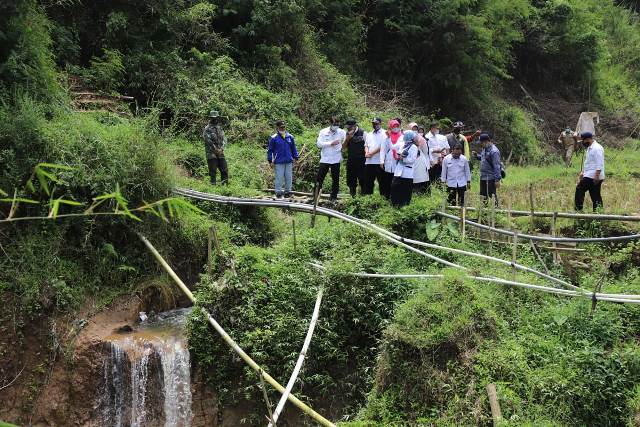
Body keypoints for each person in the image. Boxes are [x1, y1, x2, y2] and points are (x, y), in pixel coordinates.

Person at [316, 116, 346, 201]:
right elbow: (319, 144)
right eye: (334, 124)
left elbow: (346, 141)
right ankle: (316, 195)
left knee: (335, 179)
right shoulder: (323, 131)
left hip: (336, 158)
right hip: (325, 158)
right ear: (330, 124)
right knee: (319, 178)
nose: (336, 126)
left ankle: (333, 197)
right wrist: (330, 143)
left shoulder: (342, 132)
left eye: (337, 124)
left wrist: (342, 147)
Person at [267, 120, 299, 199]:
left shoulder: (290, 137)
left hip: (288, 160)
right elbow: (270, 150)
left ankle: (288, 192)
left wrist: (296, 158)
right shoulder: (274, 138)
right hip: (279, 161)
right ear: (277, 128)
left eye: (284, 127)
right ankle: (278, 192)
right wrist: (270, 160)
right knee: (279, 177)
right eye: (281, 127)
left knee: (289, 177)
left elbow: (293, 148)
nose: (282, 128)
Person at [574, 131, 604, 211]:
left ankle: (578, 210)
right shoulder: (590, 148)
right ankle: (598, 214)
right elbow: (589, 163)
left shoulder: (596, 148)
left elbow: (599, 163)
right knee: (595, 195)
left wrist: (596, 176)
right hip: (590, 175)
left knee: (579, 189)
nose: (583, 143)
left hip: (593, 176)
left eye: (583, 141)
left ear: (588, 139)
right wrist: (583, 172)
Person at [390, 131, 419, 207]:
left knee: (405, 190)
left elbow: (412, 160)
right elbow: (394, 148)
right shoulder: (403, 145)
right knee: (395, 187)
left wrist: (403, 159)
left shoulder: (414, 147)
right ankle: (395, 205)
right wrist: (399, 156)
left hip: (407, 172)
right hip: (398, 170)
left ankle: (404, 207)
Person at [379, 119, 403, 198]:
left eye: (397, 126)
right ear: (390, 127)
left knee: (396, 180)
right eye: (394, 126)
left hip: (398, 161)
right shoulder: (385, 137)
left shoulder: (402, 136)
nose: (395, 128)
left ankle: (395, 196)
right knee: (388, 180)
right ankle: (387, 196)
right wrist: (382, 161)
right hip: (389, 161)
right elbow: (383, 150)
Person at [475, 133, 501, 206]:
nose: (480, 145)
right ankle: (483, 213)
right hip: (483, 176)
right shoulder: (484, 149)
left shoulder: (494, 151)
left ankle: (495, 212)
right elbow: (484, 158)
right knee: (483, 196)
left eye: (481, 143)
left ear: (486, 142)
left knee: (492, 196)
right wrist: (477, 156)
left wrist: (497, 180)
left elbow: (496, 166)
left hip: (490, 178)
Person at [203, 110, 229, 184]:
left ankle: (225, 186)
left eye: (216, 117)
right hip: (211, 153)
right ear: (210, 118)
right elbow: (208, 140)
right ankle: (213, 186)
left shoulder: (219, 128)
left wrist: (222, 148)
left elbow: (224, 139)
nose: (215, 119)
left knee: (224, 169)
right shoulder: (207, 129)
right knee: (213, 171)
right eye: (213, 118)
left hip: (220, 152)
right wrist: (215, 149)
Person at [343, 119, 366, 197]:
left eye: (349, 127)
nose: (348, 129)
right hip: (351, 160)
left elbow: (368, 146)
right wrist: (348, 138)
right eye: (347, 127)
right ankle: (352, 196)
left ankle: (363, 197)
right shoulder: (347, 134)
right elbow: (343, 148)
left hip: (362, 160)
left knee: (362, 178)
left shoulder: (363, 133)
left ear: (355, 126)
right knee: (351, 179)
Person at [363, 118, 386, 195]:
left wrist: (371, 153)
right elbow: (366, 145)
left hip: (379, 161)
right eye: (373, 123)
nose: (375, 125)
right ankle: (368, 198)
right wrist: (366, 152)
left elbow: (382, 146)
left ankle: (383, 198)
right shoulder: (369, 134)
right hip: (369, 162)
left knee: (382, 182)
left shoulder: (384, 133)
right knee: (368, 181)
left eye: (376, 123)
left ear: (380, 123)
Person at [426, 122, 447, 186]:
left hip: (438, 159)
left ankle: (438, 188)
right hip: (431, 160)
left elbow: (439, 148)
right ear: (432, 128)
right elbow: (427, 149)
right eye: (436, 128)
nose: (437, 129)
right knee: (431, 176)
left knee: (437, 176)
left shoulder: (436, 136)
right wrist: (435, 151)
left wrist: (440, 156)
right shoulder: (427, 137)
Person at [412, 127, 430, 194]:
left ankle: (421, 193)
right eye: (412, 129)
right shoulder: (406, 141)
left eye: (415, 129)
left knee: (421, 179)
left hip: (421, 162)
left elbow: (426, 152)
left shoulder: (422, 140)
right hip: (411, 165)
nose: (414, 131)